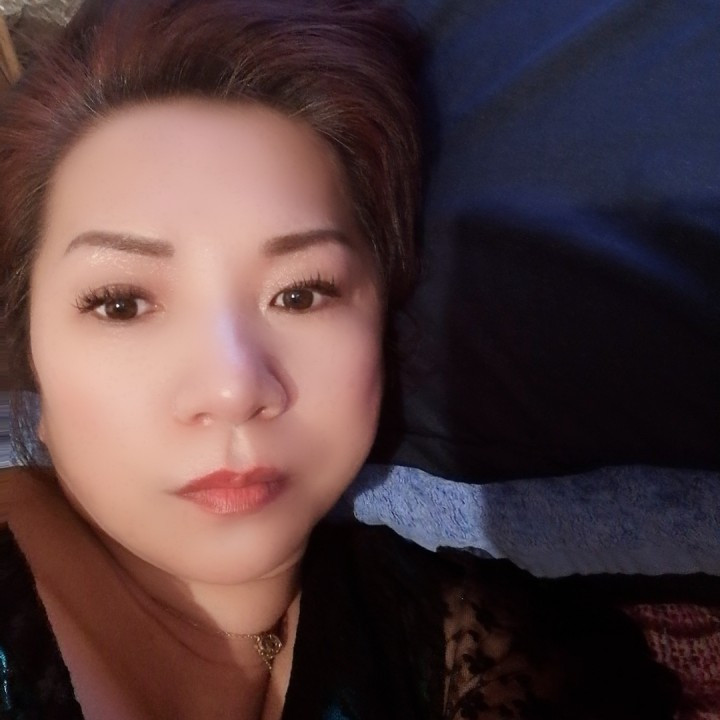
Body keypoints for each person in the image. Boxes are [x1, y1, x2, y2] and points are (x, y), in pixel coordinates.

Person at [0, 0, 680, 718]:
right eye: (121, 304)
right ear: (31, 351)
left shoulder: (474, 634)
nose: (234, 388)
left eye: (299, 294)